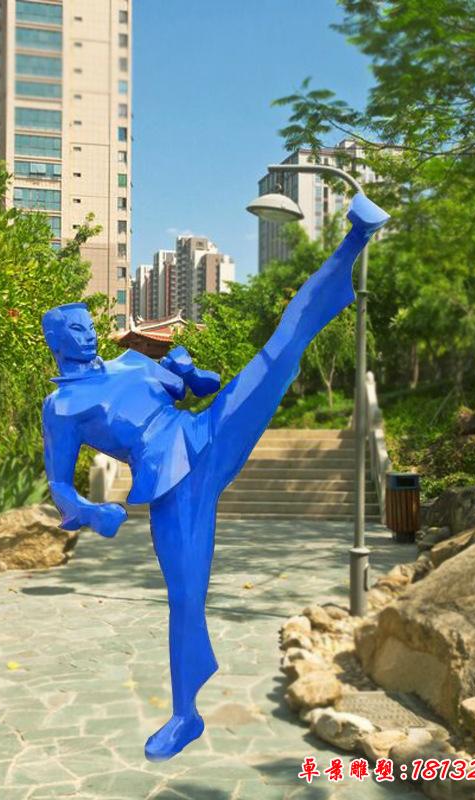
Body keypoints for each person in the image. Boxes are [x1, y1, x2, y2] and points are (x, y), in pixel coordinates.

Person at [41, 192, 389, 760]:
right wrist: (91, 511)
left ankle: (354, 237)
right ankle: (186, 714)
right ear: (55, 341)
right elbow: (59, 484)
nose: (83, 334)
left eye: (85, 325)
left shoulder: (132, 363)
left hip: (206, 433)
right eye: (71, 329)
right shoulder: (61, 406)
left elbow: (201, 386)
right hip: (169, 486)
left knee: (279, 350)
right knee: (185, 599)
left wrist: (189, 369)